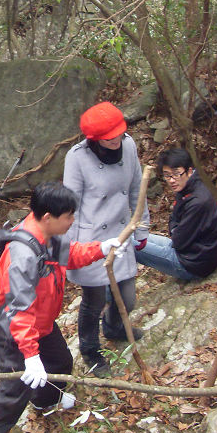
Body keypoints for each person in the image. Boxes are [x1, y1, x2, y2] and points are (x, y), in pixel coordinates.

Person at [0, 182, 126, 433]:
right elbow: (18, 310)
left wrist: (101, 249)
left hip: (43, 322)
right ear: (48, 217)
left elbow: (70, 254)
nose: (72, 221)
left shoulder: (46, 236)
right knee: (13, 392)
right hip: (15, 331)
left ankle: (44, 400)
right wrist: (31, 357)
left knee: (60, 363)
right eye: (68, 216)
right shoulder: (22, 253)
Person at [63, 102, 149, 378]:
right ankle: (90, 350)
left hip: (121, 232)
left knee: (128, 296)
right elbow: (69, 207)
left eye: (119, 135)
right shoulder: (77, 158)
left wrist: (142, 228)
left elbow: (137, 188)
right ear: (95, 139)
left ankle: (113, 327)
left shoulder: (130, 146)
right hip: (91, 238)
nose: (117, 141)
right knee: (94, 300)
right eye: (110, 138)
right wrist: (67, 249)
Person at [134, 148, 217, 280]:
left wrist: (175, 229)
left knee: (127, 245)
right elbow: (174, 222)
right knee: (132, 235)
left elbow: (178, 240)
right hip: (190, 251)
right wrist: (176, 228)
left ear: (189, 171)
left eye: (176, 174)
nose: (171, 180)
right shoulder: (187, 188)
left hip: (194, 264)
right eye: (167, 175)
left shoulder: (198, 201)